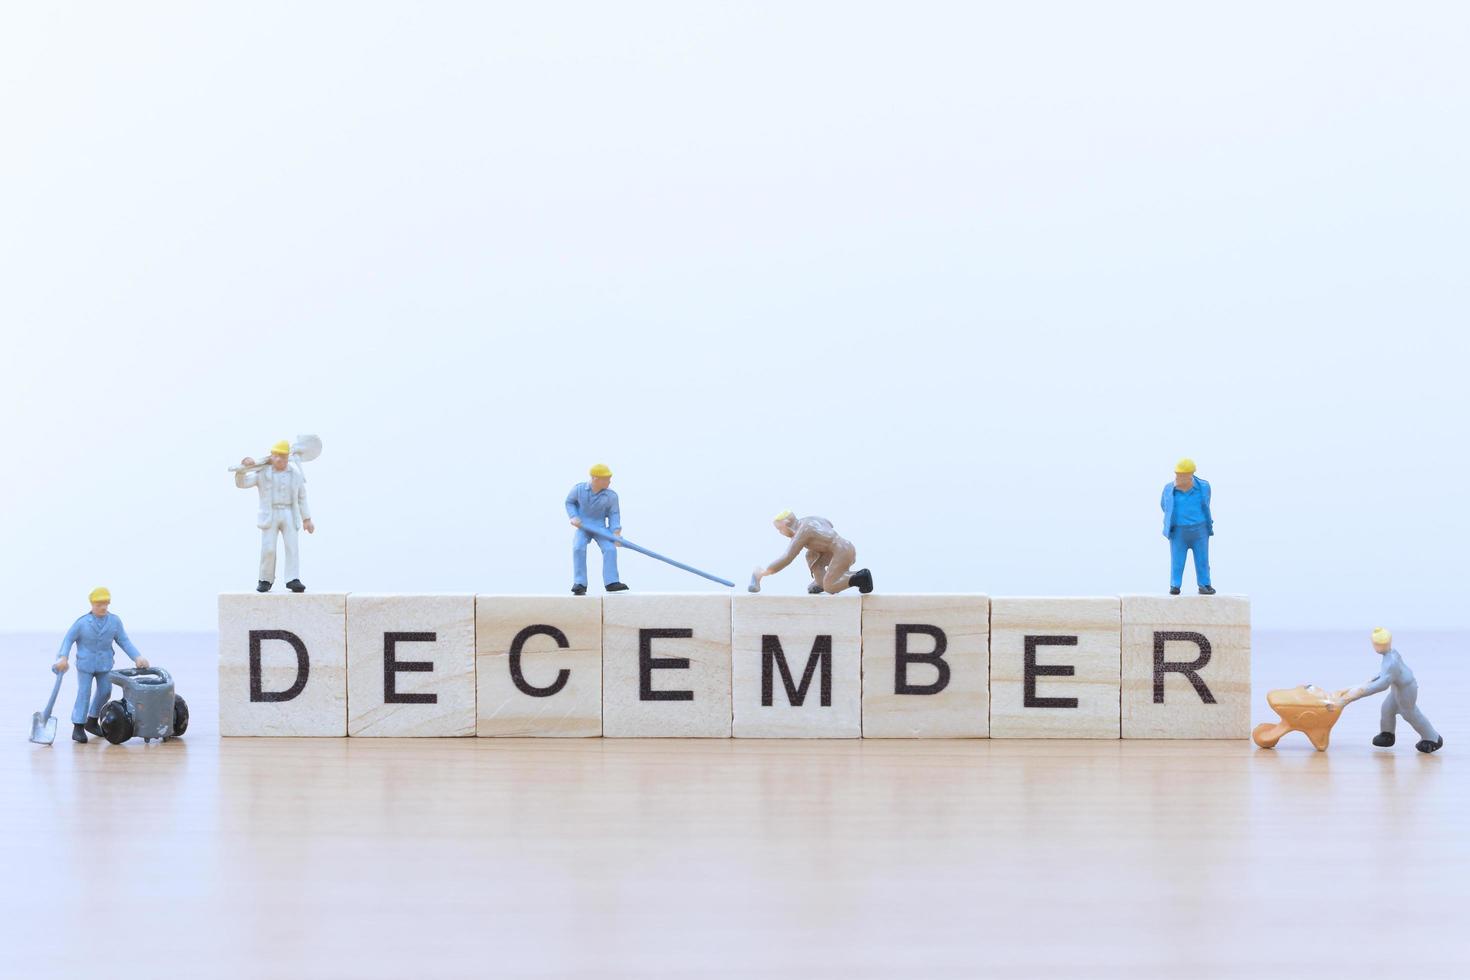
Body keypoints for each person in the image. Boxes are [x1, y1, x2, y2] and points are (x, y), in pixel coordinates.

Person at [53, 588, 148, 743]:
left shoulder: (114, 621)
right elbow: (68, 639)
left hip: (105, 664)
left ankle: (92, 720)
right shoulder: (82, 623)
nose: (103, 607)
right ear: (92, 604)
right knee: (84, 693)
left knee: (105, 691)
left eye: (105, 603)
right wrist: (63, 657)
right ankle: (78, 726)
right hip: (86, 665)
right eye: (99, 604)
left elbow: (124, 641)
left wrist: (137, 657)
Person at [1339, 628, 1443, 753]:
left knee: (1409, 714)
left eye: (1378, 644)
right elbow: (1385, 675)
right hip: (1397, 686)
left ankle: (1432, 738)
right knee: (1387, 708)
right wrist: (1371, 681)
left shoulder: (1391, 661)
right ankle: (1387, 735)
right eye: (1376, 644)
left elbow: (1383, 684)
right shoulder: (1392, 654)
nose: (1376, 646)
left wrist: (1359, 693)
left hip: (1406, 689)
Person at [236, 439, 314, 593]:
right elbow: (242, 483)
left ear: (287, 457)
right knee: (268, 548)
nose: (280, 459)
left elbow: (302, 497)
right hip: (269, 514)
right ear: (271, 456)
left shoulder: (295, 474)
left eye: (283, 456)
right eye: (277, 456)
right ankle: (265, 579)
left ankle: (293, 578)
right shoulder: (262, 472)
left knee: (292, 546)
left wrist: (307, 519)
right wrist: (243, 469)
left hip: (289, 513)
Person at [750, 511, 873, 594]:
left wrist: (765, 572)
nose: (780, 533)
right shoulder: (808, 520)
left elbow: (787, 557)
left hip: (842, 551)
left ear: (786, 524)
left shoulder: (803, 531)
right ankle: (821, 583)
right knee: (810, 555)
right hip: (839, 547)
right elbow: (828, 523)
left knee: (831, 587)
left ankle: (861, 577)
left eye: (780, 529)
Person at [566, 463, 626, 595]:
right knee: (578, 547)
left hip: (600, 526)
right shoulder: (578, 489)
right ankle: (580, 583)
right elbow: (569, 502)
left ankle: (611, 582)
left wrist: (616, 533)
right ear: (595, 479)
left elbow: (614, 514)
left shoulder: (611, 496)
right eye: (606, 479)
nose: (609, 481)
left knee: (610, 549)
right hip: (583, 525)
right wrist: (574, 516)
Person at [1161, 457, 1215, 595]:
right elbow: (1164, 505)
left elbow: (1206, 503)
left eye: (1183, 475)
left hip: (1200, 530)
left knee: (1202, 559)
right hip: (1179, 531)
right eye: (1178, 475)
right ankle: (1175, 585)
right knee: (1177, 560)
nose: (1179, 478)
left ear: (1191, 474)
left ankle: (1205, 584)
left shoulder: (1203, 487)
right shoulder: (1169, 489)